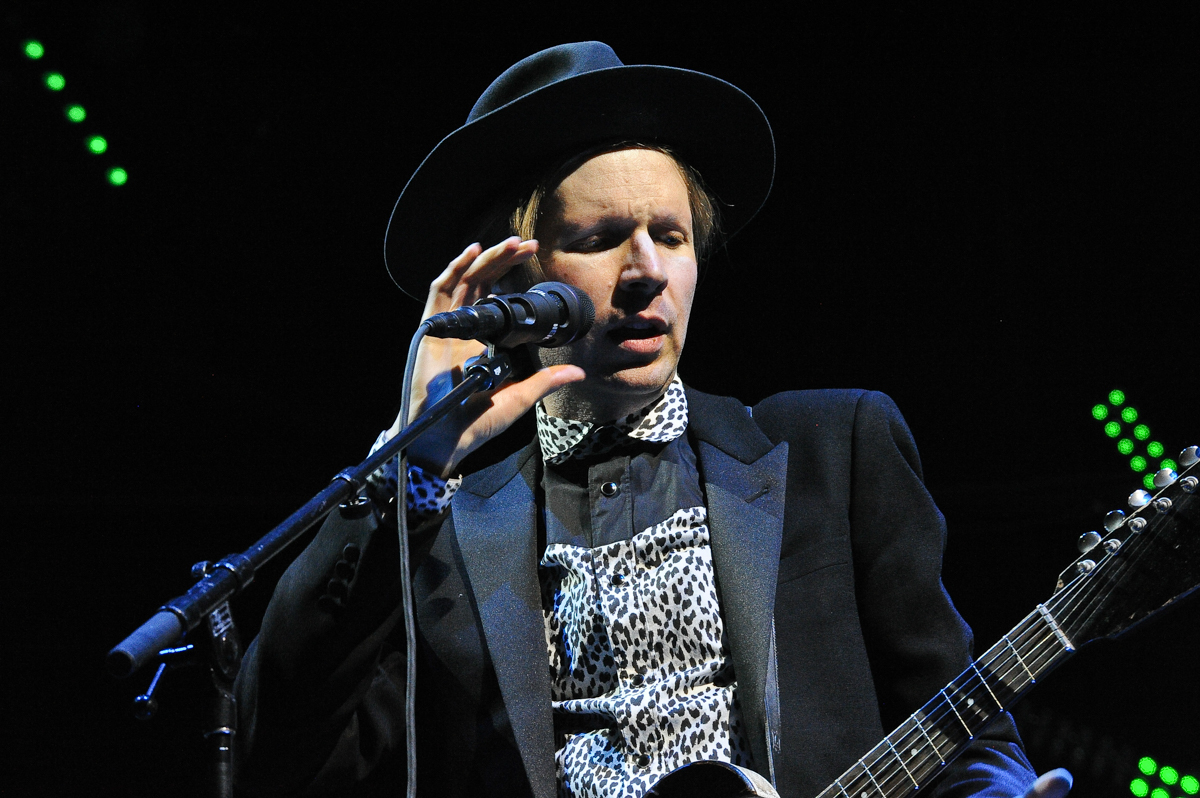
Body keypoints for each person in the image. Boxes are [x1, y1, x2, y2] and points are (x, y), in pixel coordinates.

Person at [233, 42, 1073, 798]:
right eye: (601, 238)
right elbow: (283, 755)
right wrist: (405, 472)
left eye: (669, 235)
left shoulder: (834, 450)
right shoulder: (436, 524)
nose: (645, 273)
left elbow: (970, 734)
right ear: (512, 283)